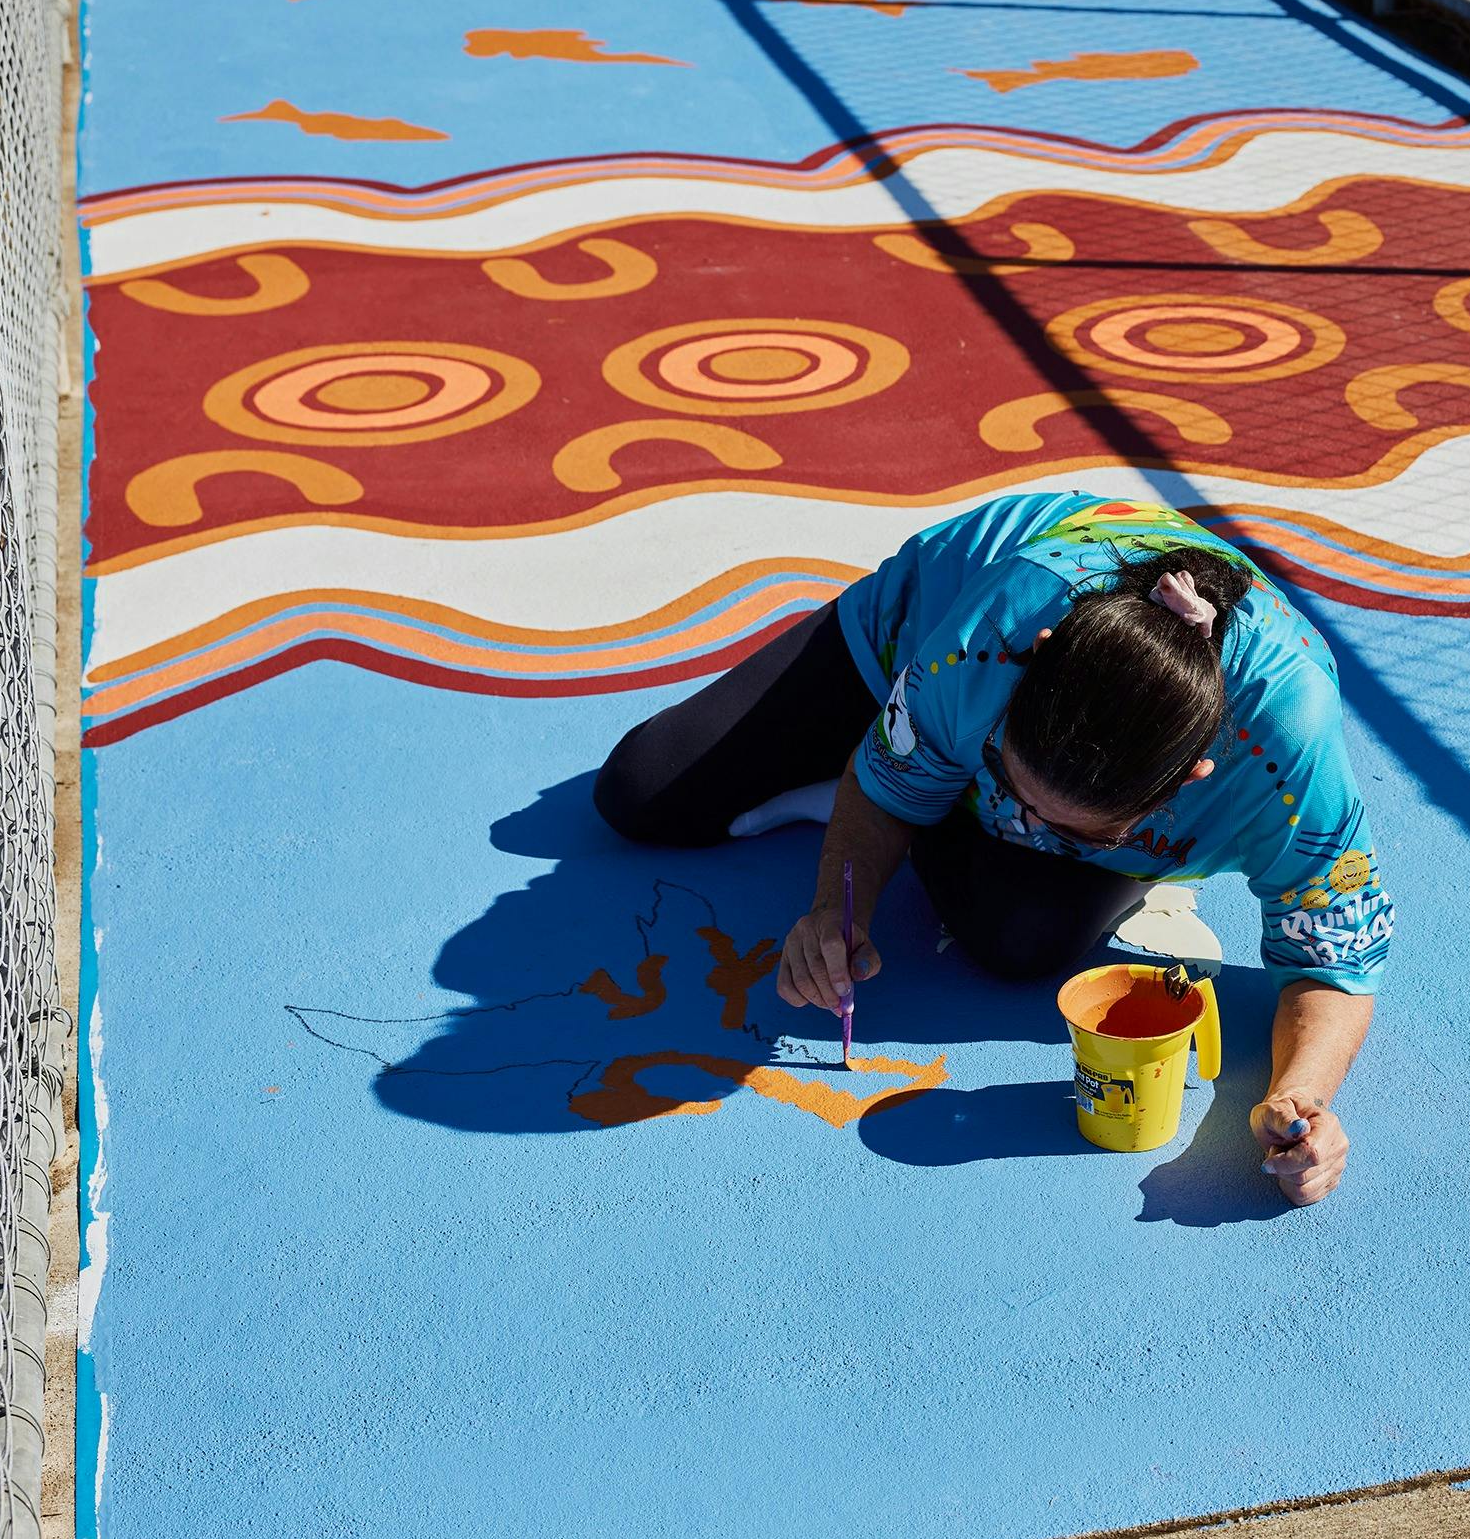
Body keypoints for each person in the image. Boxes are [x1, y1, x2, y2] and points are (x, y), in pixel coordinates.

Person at [593, 491, 1392, 1205]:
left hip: (971, 732)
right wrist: (833, 907)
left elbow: (1334, 961)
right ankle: (914, 753)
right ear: (1031, 662)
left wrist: (1302, 1099)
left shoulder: (1290, 762)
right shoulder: (985, 641)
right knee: (641, 790)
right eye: (1010, 779)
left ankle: (927, 764)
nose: (1030, 822)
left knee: (1018, 941)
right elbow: (883, 794)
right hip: (918, 634)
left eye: (1076, 828)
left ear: (1189, 782)